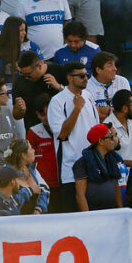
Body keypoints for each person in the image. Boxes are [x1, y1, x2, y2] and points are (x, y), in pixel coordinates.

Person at [47, 61, 99, 212]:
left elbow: (95, 129)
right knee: (74, 215)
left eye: (87, 75)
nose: (86, 79)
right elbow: (62, 134)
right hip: (70, 169)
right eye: (81, 76)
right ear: (70, 78)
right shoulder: (57, 101)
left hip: (92, 166)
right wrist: (76, 109)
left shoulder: (88, 96)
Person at [73, 123, 124, 211]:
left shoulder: (111, 159)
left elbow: (116, 190)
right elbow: (80, 195)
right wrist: (88, 217)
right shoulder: (83, 162)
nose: (114, 140)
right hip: (94, 213)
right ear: (101, 141)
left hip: (112, 212)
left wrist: (121, 210)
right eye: (111, 137)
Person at [2, 138, 51, 214]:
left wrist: (38, 210)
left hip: (33, 220)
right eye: (31, 149)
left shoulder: (33, 170)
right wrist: (29, 191)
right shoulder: (4, 174)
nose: (34, 151)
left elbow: (45, 190)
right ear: (24, 155)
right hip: (13, 221)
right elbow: (5, 203)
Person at [86, 51, 131, 120]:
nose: (115, 69)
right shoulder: (86, 87)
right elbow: (92, 116)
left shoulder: (122, 82)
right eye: (110, 66)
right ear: (98, 70)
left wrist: (104, 110)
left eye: (114, 65)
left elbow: (127, 110)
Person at [103, 89, 132, 167]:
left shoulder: (131, 121)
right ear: (125, 108)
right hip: (116, 176)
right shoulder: (108, 126)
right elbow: (106, 157)